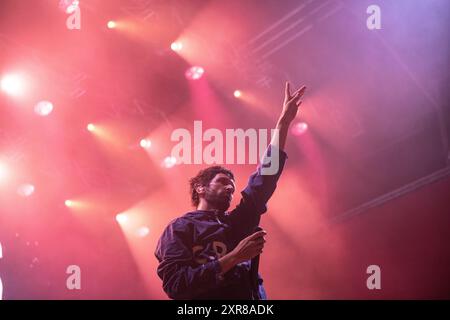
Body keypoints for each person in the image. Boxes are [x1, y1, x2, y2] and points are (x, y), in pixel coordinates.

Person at [155, 82, 306, 299]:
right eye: (223, 182)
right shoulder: (180, 228)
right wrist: (234, 257)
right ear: (200, 188)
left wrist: (283, 123)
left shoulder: (236, 223)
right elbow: (176, 285)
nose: (230, 188)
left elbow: (265, 178)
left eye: (233, 186)